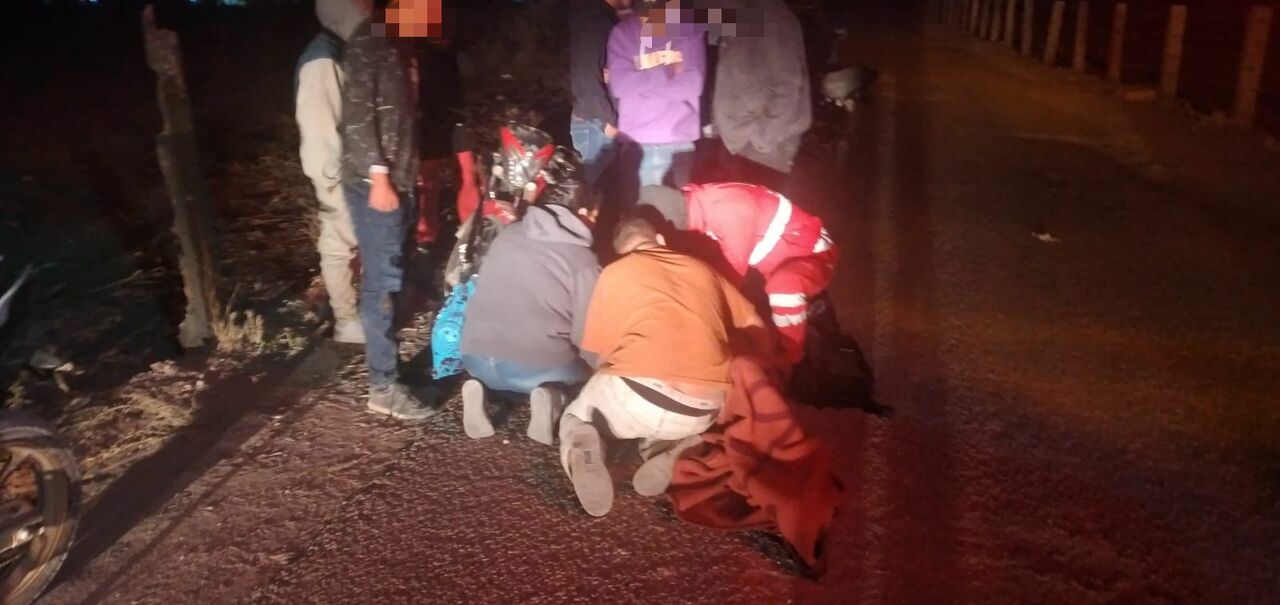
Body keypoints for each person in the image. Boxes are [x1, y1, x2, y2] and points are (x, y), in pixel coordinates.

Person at [560, 217, 773, 517]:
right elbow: (754, 323)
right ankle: (667, 449)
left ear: (622, 252)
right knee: (661, 421)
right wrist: (766, 370)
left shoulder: (614, 272)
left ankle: (584, 447)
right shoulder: (704, 270)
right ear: (660, 240)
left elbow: (601, 357)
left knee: (577, 416)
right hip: (704, 409)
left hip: (638, 396)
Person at [340, 0, 435, 421]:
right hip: (376, 184)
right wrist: (378, 175)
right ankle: (382, 386)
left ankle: (391, 373)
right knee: (380, 283)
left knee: (392, 278)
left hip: (399, 179)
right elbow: (357, 116)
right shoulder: (370, 41)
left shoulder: (399, 44)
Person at [458, 184, 601, 445]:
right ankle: (554, 398)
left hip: (474, 355)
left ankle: (484, 391)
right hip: (537, 369)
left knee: (507, 366)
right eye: (595, 215)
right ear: (582, 213)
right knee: (588, 380)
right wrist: (599, 367)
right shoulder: (583, 260)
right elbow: (588, 333)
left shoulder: (508, 235)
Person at [638, 183, 835, 367]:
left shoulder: (730, 214)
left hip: (812, 255)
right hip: (775, 259)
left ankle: (793, 357)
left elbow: (730, 282)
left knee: (783, 288)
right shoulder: (694, 202)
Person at [297, 0, 366, 345]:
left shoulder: (340, 50)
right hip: (336, 170)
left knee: (349, 240)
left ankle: (352, 313)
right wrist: (331, 177)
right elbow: (320, 127)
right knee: (339, 243)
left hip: (347, 166)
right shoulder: (324, 58)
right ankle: (346, 320)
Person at [607, 0, 706, 195]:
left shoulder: (688, 30)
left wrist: (639, 88)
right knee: (635, 213)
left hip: (678, 143)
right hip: (637, 144)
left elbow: (693, 85)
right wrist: (666, 71)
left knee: (676, 213)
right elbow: (620, 85)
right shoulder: (623, 32)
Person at [710, 0, 811, 192]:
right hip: (738, 141)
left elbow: (787, 85)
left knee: (752, 209)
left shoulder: (770, 15)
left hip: (760, 151)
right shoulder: (740, 13)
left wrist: (762, 138)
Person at [569, 0, 628, 185]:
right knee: (587, 191)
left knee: (593, 190)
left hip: (595, 122)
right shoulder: (596, 22)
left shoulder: (599, 19)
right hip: (595, 123)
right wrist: (607, 120)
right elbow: (586, 75)